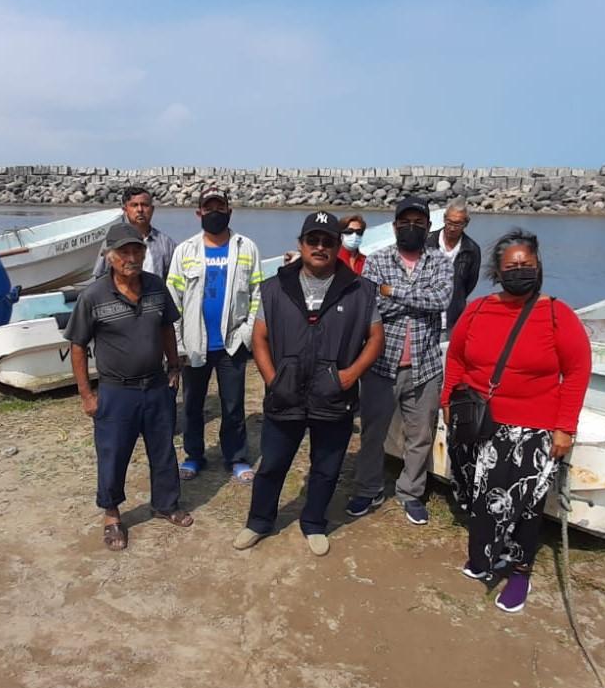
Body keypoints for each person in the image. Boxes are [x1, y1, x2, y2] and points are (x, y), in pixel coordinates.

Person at [441, 228, 591, 613]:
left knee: (524, 503)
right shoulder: (477, 309)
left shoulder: (557, 314)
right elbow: (456, 357)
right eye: (511, 266)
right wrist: (447, 400)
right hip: (477, 421)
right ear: (497, 271)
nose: (519, 271)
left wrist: (565, 427)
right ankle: (483, 557)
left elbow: (577, 371)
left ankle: (520, 571)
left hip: (531, 425)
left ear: (538, 267)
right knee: (480, 496)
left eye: (526, 264)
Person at [233, 211, 385, 555]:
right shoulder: (274, 287)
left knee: (326, 467)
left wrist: (350, 374)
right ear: (300, 244)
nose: (319, 247)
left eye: (327, 241)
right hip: (286, 393)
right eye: (312, 240)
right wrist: (272, 379)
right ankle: (258, 521)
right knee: (272, 464)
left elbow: (376, 338)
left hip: (334, 394)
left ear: (337, 245)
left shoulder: (359, 289)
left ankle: (314, 522)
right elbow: (259, 337)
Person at [64, 223, 194, 552]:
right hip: (116, 391)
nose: (131, 257)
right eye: (124, 252)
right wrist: (86, 395)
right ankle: (111, 514)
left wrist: (174, 366)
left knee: (163, 450)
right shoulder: (93, 296)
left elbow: (166, 327)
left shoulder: (156, 287)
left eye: (137, 250)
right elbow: (77, 345)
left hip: (156, 385)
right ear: (110, 256)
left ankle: (165, 503)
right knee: (113, 454)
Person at [348, 196, 454, 526]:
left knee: (420, 435)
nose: (412, 227)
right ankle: (369, 488)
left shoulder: (440, 262)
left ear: (428, 227)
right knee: (373, 432)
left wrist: (392, 292)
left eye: (418, 223)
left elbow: (441, 300)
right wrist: (412, 300)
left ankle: (410, 492)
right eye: (405, 222)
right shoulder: (377, 260)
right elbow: (371, 305)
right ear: (395, 227)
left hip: (426, 367)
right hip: (381, 365)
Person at [167, 186, 263, 484]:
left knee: (233, 405)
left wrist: (246, 332)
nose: (214, 213)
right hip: (194, 344)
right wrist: (178, 343)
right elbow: (173, 298)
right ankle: (194, 455)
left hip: (232, 343)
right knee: (192, 404)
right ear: (199, 213)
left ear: (229, 211)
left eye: (220, 208)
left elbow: (257, 294)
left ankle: (236, 457)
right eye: (208, 208)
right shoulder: (185, 250)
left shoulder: (247, 248)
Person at [93, 186, 178, 280]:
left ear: (152, 209)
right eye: (134, 205)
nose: (140, 210)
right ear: (125, 210)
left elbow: (174, 279)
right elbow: (100, 277)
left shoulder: (167, 244)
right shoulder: (113, 242)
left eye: (145, 205)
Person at [426, 197, 481, 334]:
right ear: (444, 219)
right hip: (424, 319)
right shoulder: (427, 243)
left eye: (457, 224)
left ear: (466, 223)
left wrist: (457, 298)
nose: (451, 228)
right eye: (449, 222)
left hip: (452, 321)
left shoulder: (471, 250)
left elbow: (470, 284)